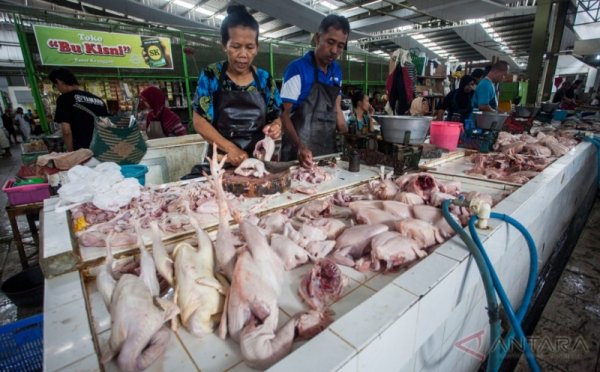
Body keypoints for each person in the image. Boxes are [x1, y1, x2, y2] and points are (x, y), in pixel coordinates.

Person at [192, 5, 282, 167]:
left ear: (257, 48)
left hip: (257, 160)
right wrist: (230, 149)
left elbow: (275, 116)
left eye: (249, 47)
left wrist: (275, 126)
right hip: (220, 161)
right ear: (224, 45)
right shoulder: (211, 75)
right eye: (235, 46)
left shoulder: (264, 79)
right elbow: (199, 122)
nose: (243, 54)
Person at [280, 14, 350, 167]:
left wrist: (349, 135)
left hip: (326, 153)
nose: (334, 50)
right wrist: (300, 146)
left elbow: (336, 108)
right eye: (330, 42)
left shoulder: (336, 71)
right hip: (297, 155)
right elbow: (283, 115)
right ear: (318, 38)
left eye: (340, 46)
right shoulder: (297, 69)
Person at [49, 68, 109, 151]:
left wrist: (70, 152)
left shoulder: (64, 99)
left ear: (59, 81)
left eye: (55, 86)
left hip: (82, 152)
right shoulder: (99, 100)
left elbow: (66, 131)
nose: (57, 89)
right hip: (103, 149)